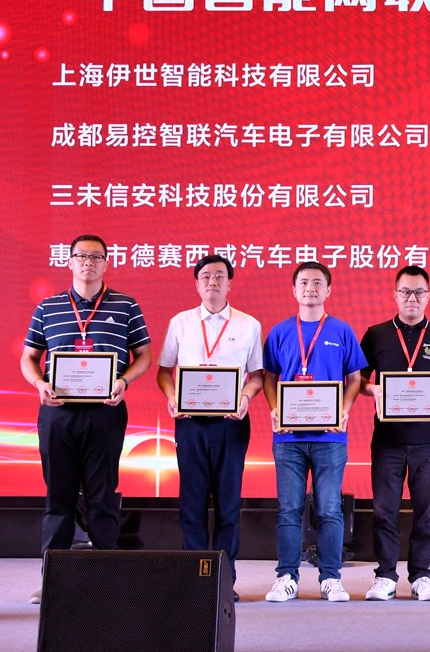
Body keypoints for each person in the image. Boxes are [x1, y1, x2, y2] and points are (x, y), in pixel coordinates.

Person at [20, 234, 151, 604]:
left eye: (96, 257)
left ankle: (106, 578)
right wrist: (39, 383)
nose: (88, 262)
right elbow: (29, 356)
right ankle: (53, 581)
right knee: (58, 497)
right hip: (58, 412)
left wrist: (124, 381)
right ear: (69, 261)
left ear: (106, 263)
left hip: (105, 412)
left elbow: (143, 354)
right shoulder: (48, 306)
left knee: (101, 495)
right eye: (81, 256)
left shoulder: (126, 305)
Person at [155, 255, 264, 600]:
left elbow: (257, 376)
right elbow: (164, 372)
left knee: (229, 506)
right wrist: (172, 397)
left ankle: (223, 582)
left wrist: (245, 397)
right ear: (197, 283)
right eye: (206, 276)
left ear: (230, 283)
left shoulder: (249, 325)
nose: (212, 281)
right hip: (190, 424)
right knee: (192, 504)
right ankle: (195, 580)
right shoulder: (181, 322)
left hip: (231, 424)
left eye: (219, 276)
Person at [261, 262, 366, 603]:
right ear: (293, 290)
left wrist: (345, 409)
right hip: (288, 438)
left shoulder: (342, 330)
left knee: (330, 510)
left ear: (328, 290)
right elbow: (269, 378)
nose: (311, 288)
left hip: (330, 438)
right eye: (304, 282)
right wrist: (275, 408)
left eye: (318, 282)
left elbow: (355, 378)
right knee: (289, 509)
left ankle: (331, 578)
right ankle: (286, 577)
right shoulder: (279, 332)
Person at [360, 265, 430, 602]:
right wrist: (374, 390)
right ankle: (385, 576)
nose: (412, 298)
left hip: (429, 441)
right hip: (387, 440)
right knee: (384, 511)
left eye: (419, 292)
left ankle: (421, 576)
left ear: (428, 296)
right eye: (405, 291)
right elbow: (359, 379)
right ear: (395, 295)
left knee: (426, 512)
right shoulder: (376, 334)